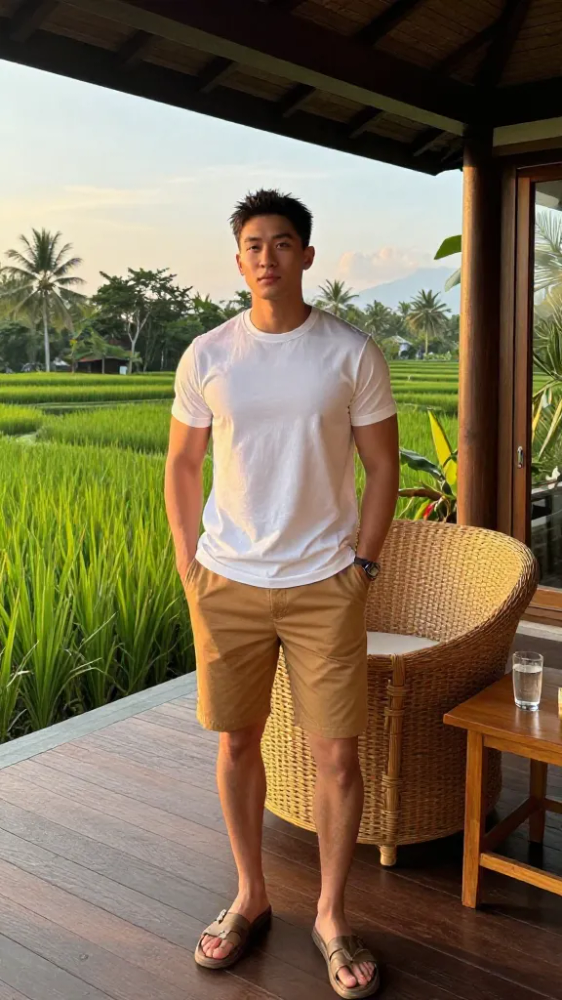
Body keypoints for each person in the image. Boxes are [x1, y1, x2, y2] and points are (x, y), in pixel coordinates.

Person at [165, 189, 399, 999]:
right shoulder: (208, 355)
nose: (267, 255)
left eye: (283, 241)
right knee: (236, 743)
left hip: (323, 585)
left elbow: (383, 469)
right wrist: (191, 567)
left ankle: (332, 915)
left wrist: (362, 567)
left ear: (307, 255)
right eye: (253, 244)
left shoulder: (351, 353)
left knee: (337, 754)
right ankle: (251, 896)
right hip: (228, 580)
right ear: (239, 261)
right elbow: (183, 467)